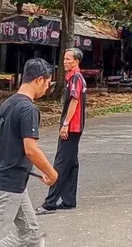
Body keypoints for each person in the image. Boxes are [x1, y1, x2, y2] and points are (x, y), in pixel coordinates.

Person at [0, 58, 58, 247]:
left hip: (13, 181)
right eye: (48, 83)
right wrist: (51, 173)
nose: (47, 88)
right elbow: (30, 149)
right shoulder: (28, 109)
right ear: (39, 80)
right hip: (9, 181)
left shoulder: (7, 104)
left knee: (31, 235)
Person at [40, 48, 87, 215]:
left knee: (60, 163)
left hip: (72, 126)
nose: (65, 61)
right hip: (77, 126)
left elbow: (74, 102)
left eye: (68, 59)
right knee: (71, 163)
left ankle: (50, 203)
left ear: (76, 61)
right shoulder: (75, 77)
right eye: (64, 58)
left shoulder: (75, 77)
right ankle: (69, 200)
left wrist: (65, 123)